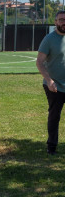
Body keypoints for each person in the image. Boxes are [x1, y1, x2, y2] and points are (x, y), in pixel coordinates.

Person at [36, 10, 65, 155]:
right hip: (55, 86)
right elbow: (39, 62)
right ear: (55, 22)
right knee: (55, 115)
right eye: (61, 20)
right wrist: (49, 80)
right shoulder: (49, 39)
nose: (63, 22)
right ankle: (52, 146)